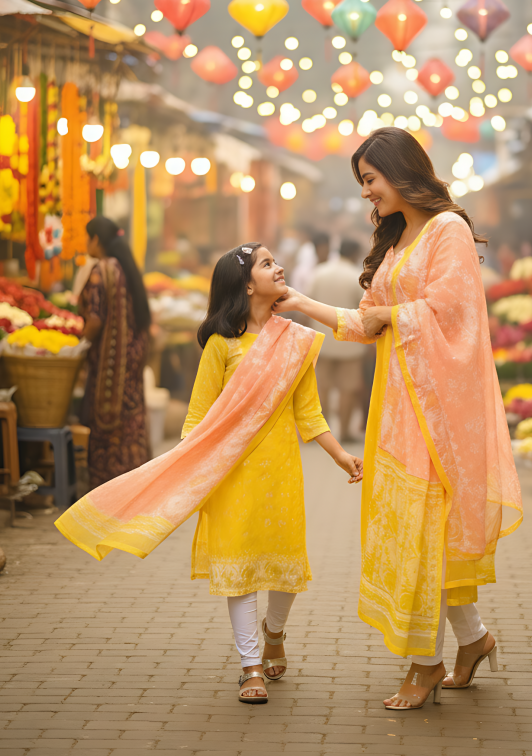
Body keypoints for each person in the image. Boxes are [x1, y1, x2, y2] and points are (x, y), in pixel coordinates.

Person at [275, 128, 522, 711]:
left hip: (436, 413)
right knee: (420, 533)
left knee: (421, 534)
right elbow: (366, 322)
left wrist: (390, 315)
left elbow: (454, 312)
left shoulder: (446, 230)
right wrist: (300, 304)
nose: (366, 192)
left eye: (370, 179)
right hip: (396, 409)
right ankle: (473, 640)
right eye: (362, 182)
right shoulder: (396, 239)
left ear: (401, 171)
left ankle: (424, 663)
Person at [56, 243, 362, 706]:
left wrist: (340, 455)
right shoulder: (222, 345)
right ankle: (250, 664)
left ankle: (274, 633)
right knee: (239, 570)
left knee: (285, 570)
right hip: (230, 474)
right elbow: (198, 418)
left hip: (281, 473)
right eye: (267, 264)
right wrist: (186, 474)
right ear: (246, 285)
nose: (278, 267)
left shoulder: (296, 341)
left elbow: (309, 412)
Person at [80, 216, 152, 490]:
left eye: (87, 238)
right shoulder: (126, 267)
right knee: (130, 418)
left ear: (96, 239)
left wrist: (79, 344)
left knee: (106, 423)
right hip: (132, 358)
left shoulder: (101, 270)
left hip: (111, 364)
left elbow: (95, 318)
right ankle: (133, 482)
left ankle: (107, 487)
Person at [308, 238, 365, 442]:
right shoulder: (356, 277)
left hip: (322, 341)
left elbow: (308, 301)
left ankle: (322, 432)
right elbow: (365, 308)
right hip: (350, 342)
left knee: (321, 387)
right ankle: (345, 432)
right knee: (347, 388)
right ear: (354, 254)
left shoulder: (319, 272)